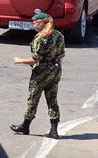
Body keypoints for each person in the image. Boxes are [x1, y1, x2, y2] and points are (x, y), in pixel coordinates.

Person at [11, 10, 65, 139]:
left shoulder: (40, 38)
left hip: (41, 72)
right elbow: (61, 56)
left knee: (33, 98)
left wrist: (19, 60)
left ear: (41, 23)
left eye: (35, 23)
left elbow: (36, 59)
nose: (34, 26)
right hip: (55, 70)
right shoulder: (59, 35)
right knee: (52, 100)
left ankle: (25, 125)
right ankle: (54, 130)